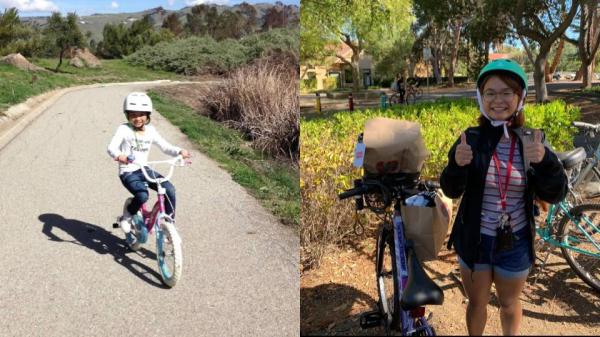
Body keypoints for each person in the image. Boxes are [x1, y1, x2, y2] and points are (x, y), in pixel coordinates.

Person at [439, 59, 567, 335]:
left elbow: (556, 193)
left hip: (516, 242)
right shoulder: (469, 140)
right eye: (490, 93)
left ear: (520, 98)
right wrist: (456, 166)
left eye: (507, 92)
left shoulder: (532, 140)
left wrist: (545, 162)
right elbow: (451, 190)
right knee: (477, 303)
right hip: (476, 240)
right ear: (480, 98)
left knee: (509, 304)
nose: (498, 100)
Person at [107, 92, 191, 242]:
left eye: (141, 114)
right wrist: (121, 156)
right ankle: (127, 216)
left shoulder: (151, 130)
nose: (137, 118)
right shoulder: (124, 130)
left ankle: (169, 224)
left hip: (144, 169)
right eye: (133, 114)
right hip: (128, 171)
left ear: (147, 115)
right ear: (127, 115)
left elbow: (165, 146)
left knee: (169, 189)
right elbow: (111, 147)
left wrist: (179, 151)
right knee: (142, 195)